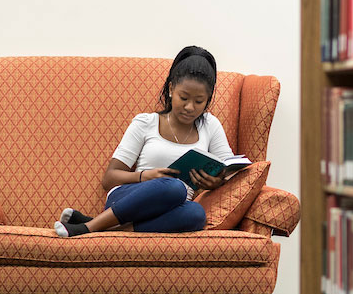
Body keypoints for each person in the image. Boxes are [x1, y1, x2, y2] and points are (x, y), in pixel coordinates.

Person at [54, 46, 231, 237]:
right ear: (171, 89)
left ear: (208, 99)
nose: (189, 107)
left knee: (196, 214)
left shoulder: (210, 125)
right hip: (128, 200)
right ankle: (87, 229)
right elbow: (110, 178)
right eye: (184, 97)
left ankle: (107, 228)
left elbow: (231, 170)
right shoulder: (146, 123)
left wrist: (216, 182)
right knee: (175, 187)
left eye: (199, 101)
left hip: (171, 211)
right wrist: (145, 176)